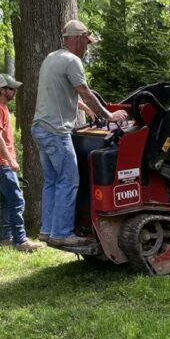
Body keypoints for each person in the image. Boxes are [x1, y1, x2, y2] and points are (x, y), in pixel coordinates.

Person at [32, 20, 128, 247]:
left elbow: (62, 95)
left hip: (40, 128)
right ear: (77, 39)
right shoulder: (72, 61)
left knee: (52, 181)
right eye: (86, 42)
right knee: (69, 179)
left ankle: (47, 230)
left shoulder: (51, 58)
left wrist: (87, 110)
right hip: (56, 132)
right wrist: (108, 116)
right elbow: (84, 92)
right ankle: (63, 233)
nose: (86, 48)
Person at [0, 74, 44, 252]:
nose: (15, 91)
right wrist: (10, 160)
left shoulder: (1, 107)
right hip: (2, 163)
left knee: (6, 200)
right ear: (2, 90)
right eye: (11, 88)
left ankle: (5, 237)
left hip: (2, 162)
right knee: (18, 201)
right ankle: (20, 241)